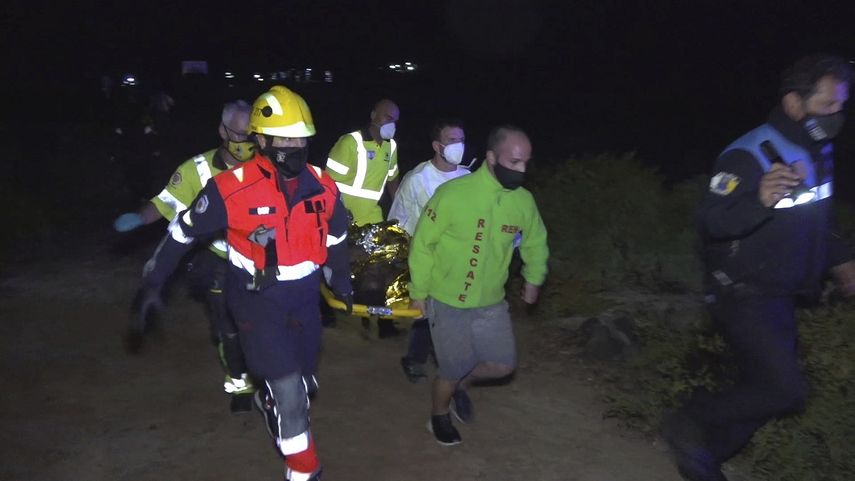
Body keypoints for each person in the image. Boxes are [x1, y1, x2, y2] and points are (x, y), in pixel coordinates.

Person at [136, 85, 353, 481]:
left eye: (301, 137)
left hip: (304, 300)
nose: (295, 145)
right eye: (285, 138)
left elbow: (337, 234)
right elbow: (182, 233)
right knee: (291, 393)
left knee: (304, 384)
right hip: (256, 299)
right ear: (261, 139)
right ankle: (304, 470)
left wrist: (341, 277)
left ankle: (271, 401)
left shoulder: (323, 184)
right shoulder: (229, 188)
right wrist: (154, 282)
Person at [664, 54, 855, 481]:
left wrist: (844, 262)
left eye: (841, 105)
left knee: (768, 389)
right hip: (741, 291)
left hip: (782, 292)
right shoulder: (749, 153)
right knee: (784, 389)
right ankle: (689, 420)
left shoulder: (817, 150)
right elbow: (711, 222)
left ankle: (703, 457)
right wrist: (759, 200)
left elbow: (821, 217)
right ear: (794, 103)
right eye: (827, 105)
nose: (836, 115)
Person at [408, 125, 549, 445]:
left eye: (526, 162)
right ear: (490, 158)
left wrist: (533, 277)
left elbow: (535, 243)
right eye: (514, 162)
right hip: (447, 301)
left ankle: (461, 387)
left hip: (491, 302)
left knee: (502, 365)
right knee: (451, 368)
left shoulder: (523, 202)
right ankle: (439, 416)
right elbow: (423, 244)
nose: (522, 170)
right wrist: (418, 291)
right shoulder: (453, 195)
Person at [114, 100, 258, 411]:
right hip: (219, 258)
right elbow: (166, 203)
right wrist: (140, 218)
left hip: (261, 260)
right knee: (227, 324)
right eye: (239, 134)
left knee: (264, 324)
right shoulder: (197, 170)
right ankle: (239, 382)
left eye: (252, 136)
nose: (245, 143)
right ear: (222, 130)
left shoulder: (268, 166)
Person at [388, 119, 470, 383]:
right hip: (427, 258)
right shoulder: (417, 179)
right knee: (429, 311)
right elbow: (398, 221)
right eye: (452, 140)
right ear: (437, 145)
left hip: (458, 259)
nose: (459, 146)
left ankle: (435, 357)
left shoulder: (467, 177)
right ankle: (416, 359)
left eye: (461, 139)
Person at [325, 99, 401, 226]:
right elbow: (327, 183)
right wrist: (338, 213)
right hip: (343, 217)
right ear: (373, 115)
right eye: (388, 118)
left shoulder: (391, 146)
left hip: (372, 217)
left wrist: (397, 207)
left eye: (394, 121)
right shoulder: (350, 142)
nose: (391, 124)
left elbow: (392, 178)